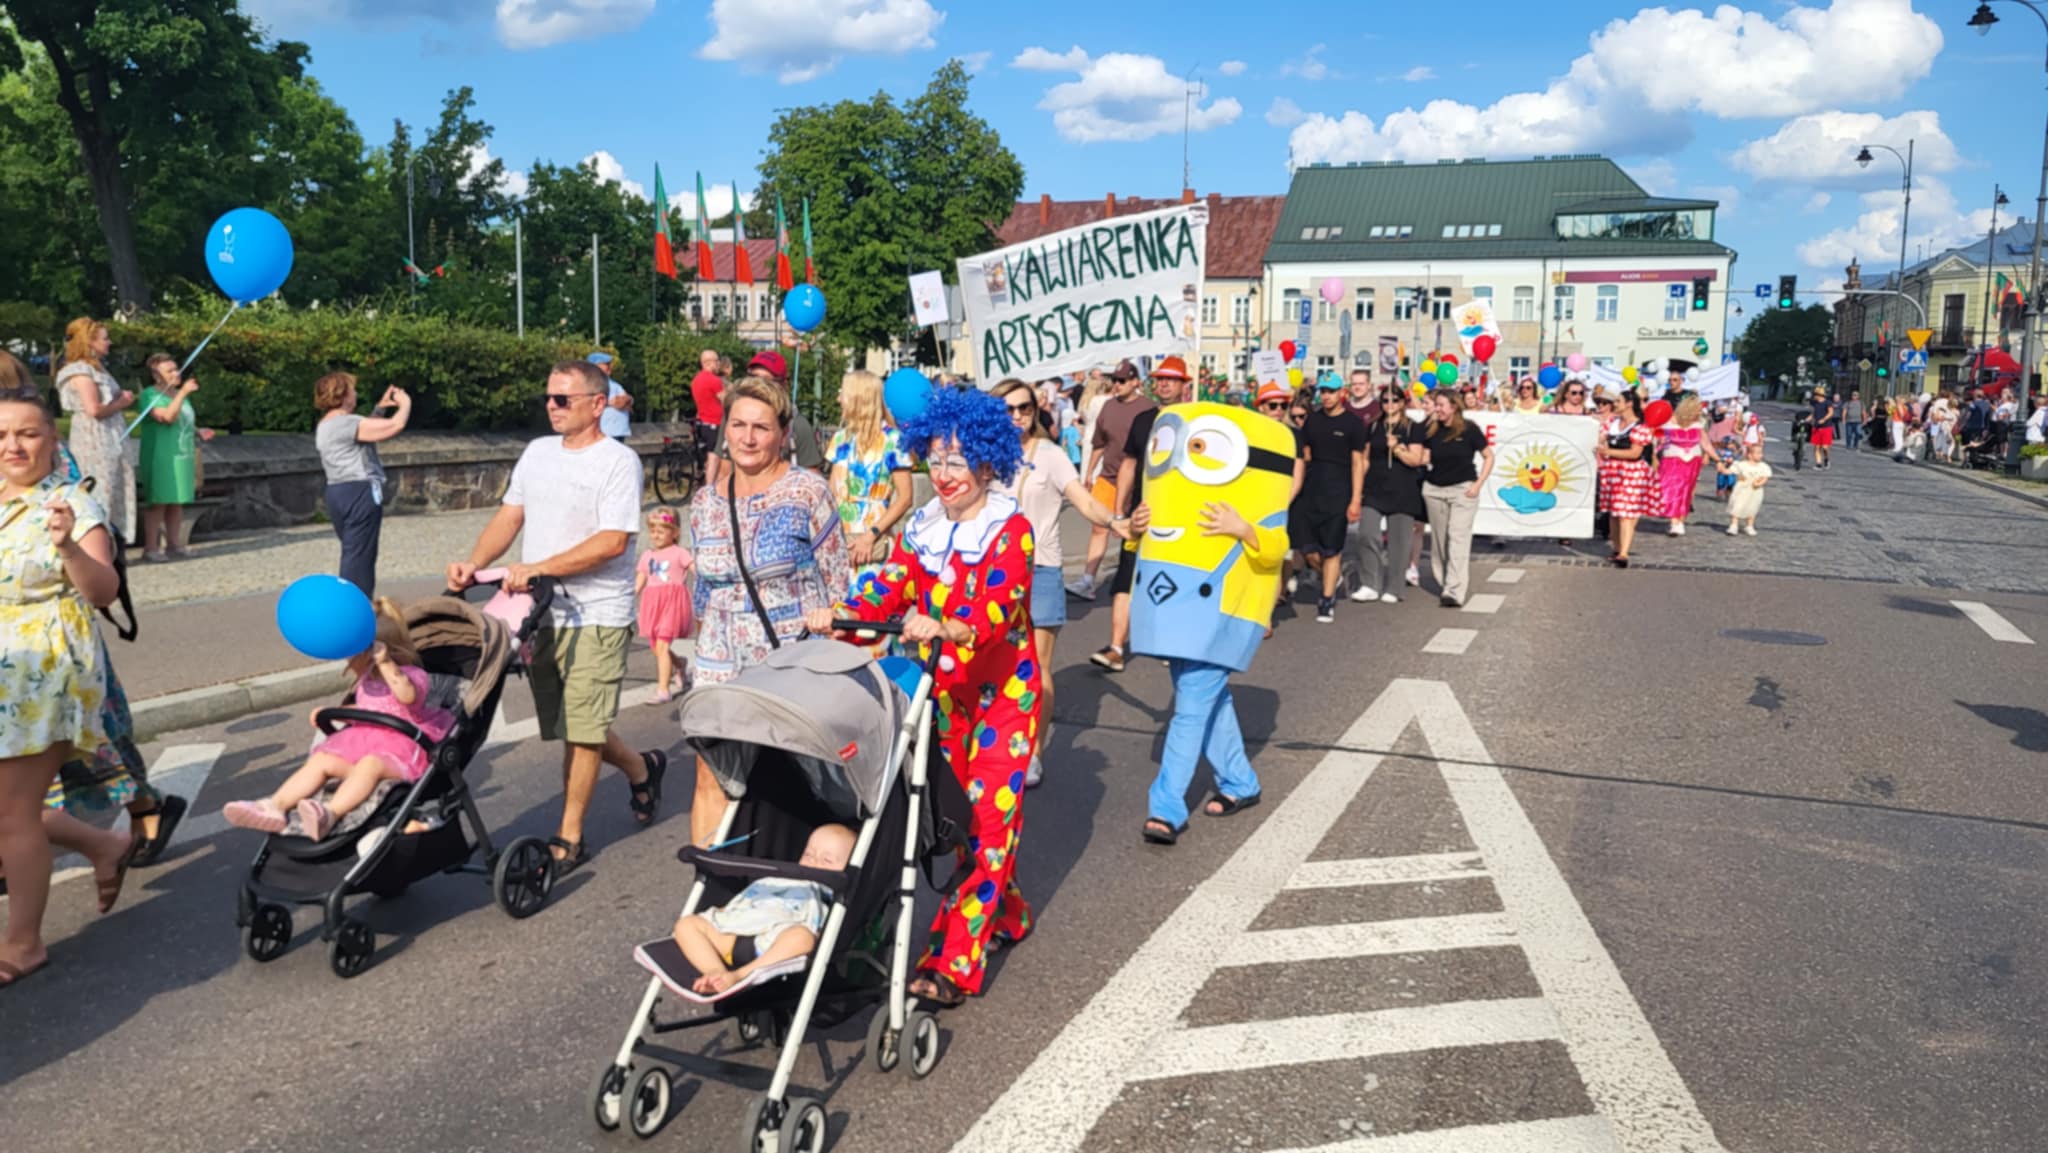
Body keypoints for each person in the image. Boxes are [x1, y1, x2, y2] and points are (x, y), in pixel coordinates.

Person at [806, 387, 1039, 1004]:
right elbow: (888, 586)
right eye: (934, 459)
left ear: (986, 462)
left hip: (1003, 698)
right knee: (960, 821)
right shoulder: (923, 528)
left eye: (956, 460)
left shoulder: (1011, 529)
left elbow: (1000, 603)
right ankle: (1007, 912)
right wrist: (839, 616)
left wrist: (954, 626)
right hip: (942, 694)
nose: (943, 473)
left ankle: (951, 963)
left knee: (988, 821)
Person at [448, 360, 666, 873]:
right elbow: (510, 516)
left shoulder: (618, 462)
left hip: (598, 611)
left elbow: (613, 542)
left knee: (584, 728)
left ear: (598, 404)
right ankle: (641, 768)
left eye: (563, 399)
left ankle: (569, 837)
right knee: (571, 724)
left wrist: (540, 567)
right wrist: (473, 564)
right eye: (548, 397)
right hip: (540, 612)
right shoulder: (538, 452)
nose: (552, 406)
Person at [0, 366, 130, 984]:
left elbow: (104, 590)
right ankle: (101, 843)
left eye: (28, 434)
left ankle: (23, 943)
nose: (14, 446)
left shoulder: (71, 502)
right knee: (11, 807)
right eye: (3, 435)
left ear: (53, 439)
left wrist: (68, 547)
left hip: (44, 672)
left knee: (12, 813)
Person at [688, 378, 851, 847]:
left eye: (760, 427)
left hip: (790, 659)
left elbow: (838, 583)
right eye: (738, 425)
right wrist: (697, 656)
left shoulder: (807, 491)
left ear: (783, 433)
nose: (747, 437)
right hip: (720, 658)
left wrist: (836, 651)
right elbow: (704, 590)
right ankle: (711, 883)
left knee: (797, 780)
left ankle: (804, 878)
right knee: (712, 774)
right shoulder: (705, 502)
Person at [1128, 400, 1290, 847]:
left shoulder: (1254, 491)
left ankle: (1166, 807)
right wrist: (1135, 528)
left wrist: (1244, 529)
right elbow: (1148, 542)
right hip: (1177, 608)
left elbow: (1278, 546)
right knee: (1206, 699)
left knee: (1192, 704)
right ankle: (1240, 781)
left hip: (1224, 609)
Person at [993, 378, 1132, 788]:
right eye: (1008, 409)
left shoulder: (1050, 455)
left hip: (1040, 569)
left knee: (1036, 668)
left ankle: (1034, 751)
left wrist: (1114, 521)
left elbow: (1083, 499)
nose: (1018, 415)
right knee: (995, 666)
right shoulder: (986, 454)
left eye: (1025, 407)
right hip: (993, 574)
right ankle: (999, 744)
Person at [222, 597, 454, 838]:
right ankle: (275, 806)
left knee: (370, 764)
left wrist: (386, 664)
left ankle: (330, 813)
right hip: (364, 745)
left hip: (400, 753)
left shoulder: (412, 675)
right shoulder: (366, 680)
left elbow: (407, 697)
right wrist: (335, 713)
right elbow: (369, 708)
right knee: (322, 759)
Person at [668, 823, 854, 995]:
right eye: (808, 854)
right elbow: (746, 899)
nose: (814, 862)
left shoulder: (825, 895)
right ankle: (715, 971)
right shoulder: (779, 878)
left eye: (827, 860)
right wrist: (725, 912)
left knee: (803, 938)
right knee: (686, 924)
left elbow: (817, 926)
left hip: (770, 947)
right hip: (729, 937)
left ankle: (740, 975)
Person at [1091, 357, 1188, 672]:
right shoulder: (1144, 419)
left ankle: (1170, 642)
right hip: (1141, 513)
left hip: (1179, 517)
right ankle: (1116, 648)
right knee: (1126, 577)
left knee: (1173, 579)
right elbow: (1129, 463)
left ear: (1184, 385)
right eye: (1160, 378)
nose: (1164, 384)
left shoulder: (1195, 419)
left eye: (1171, 379)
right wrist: (1120, 510)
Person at [315, 372, 411, 597]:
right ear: (343, 395)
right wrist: (405, 404)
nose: (355, 393)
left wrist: (380, 408)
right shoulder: (346, 422)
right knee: (359, 557)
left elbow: (364, 433)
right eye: (352, 389)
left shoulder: (327, 425)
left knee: (354, 550)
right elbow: (395, 426)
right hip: (358, 492)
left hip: (337, 491)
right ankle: (355, 606)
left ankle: (352, 603)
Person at [1068, 360, 1152, 601]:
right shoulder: (1108, 406)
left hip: (1138, 481)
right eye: (1115, 380)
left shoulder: (1149, 408)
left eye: (1123, 380)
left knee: (1137, 531)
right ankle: (1087, 580)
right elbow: (1099, 443)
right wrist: (1089, 474)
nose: (1117, 385)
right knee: (1099, 527)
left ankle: (1137, 580)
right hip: (1109, 477)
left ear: (1135, 382)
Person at [826, 370, 914, 583]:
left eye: (843, 393)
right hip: (841, 541)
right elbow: (831, 494)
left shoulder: (893, 441)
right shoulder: (841, 439)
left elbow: (905, 498)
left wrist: (870, 535)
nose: (838, 399)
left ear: (858, 398)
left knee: (869, 597)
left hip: (874, 540)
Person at [54, 317, 136, 546]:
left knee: (115, 485)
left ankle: (115, 539)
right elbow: (93, 409)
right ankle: (97, 542)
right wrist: (121, 403)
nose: (109, 342)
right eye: (104, 338)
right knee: (100, 488)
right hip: (95, 437)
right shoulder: (80, 371)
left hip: (111, 435)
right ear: (89, 341)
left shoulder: (98, 368)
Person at [1293, 373, 1366, 623]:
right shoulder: (1312, 420)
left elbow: (1357, 463)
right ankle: (1332, 577)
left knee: (1332, 549)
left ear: (1341, 393)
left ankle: (1326, 601)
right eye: (1323, 391)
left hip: (1339, 492)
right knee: (1308, 550)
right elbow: (1305, 454)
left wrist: (1355, 499)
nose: (1326, 396)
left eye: (1331, 391)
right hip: (1312, 490)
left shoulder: (1353, 424)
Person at [135, 354, 216, 562]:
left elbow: (182, 418)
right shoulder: (150, 395)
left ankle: (174, 544)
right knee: (159, 501)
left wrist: (198, 431)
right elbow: (167, 417)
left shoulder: (179, 395)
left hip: (181, 454)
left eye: (176, 368)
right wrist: (183, 393)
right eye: (169, 370)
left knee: (176, 501)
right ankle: (151, 547)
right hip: (161, 454)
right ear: (157, 375)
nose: (176, 373)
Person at [1419, 388, 1494, 606]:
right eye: (1436, 405)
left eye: (1441, 405)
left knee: (1457, 537)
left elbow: (1489, 456)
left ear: (1453, 406)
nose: (1438, 409)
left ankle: (1454, 591)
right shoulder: (1431, 430)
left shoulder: (1469, 429)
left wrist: (1478, 484)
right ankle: (1446, 581)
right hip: (1435, 490)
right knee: (1440, 541)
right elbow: (1423, 457)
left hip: (1463, 489)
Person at [1356, 393, 1427, 604]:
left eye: (1394, 400)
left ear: (1402, 403)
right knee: (1367, 534)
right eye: (1385, 400)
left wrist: (1396, 448)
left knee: (1399, 542)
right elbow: (1365, 459)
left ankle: (1395, 587)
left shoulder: (1413, 427)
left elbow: (1415, 460)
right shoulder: (1373, 426)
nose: (1390, 404)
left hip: (1402, 490)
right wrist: (1357, 487)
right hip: (1374, 488)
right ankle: (1370, 583)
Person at [635, 507, 694, 704]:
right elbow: (641, 579)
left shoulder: (680, 553)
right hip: (653, 605)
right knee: (656, 647)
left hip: (672, 604)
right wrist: (630, 595)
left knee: (662, 645)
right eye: (652, 531)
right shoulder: (647, 555)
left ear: (675, 532)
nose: (656, 535)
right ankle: (680, 663)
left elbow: (696, 570)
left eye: (661, 531)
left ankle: (663, 690)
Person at [1595, 391, 1656, 568]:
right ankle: (1617, 549)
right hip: (1613, 471)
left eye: (1618, 401)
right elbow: (1600, 439)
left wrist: (1609, 451)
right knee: (1614, 513)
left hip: (1631, 472)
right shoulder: (1612, 423)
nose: (1615, 404)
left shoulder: (1639, 427)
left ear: (1629, 403)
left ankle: (1624, 553)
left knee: (1626, 514)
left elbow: (1635, 453)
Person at [744, 353, 825, 471]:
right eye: (753, 377)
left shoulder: (797, 425)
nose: (758, 385)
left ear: (783, 384)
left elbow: (812, 475)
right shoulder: (733, 417)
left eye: (767, 380)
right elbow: (724, 469)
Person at [1655, 394, 1709, 535]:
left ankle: (1680, 521)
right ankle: (1674, 521)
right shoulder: (1669, 422)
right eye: (1697, 409)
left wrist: (1716, 459)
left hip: (1693, 461)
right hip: (1672, 459)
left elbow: (1705, 443)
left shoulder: (1699, 424)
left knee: (1687, 490)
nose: (1700, 412)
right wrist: (1654, 453)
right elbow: (1658, 438)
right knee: (1672, 488)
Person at [690, 347, 726, 491]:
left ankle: (704, 482)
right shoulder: (714, 380)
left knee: (706, 456)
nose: (719, 364)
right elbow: (726, 400)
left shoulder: (696, 380)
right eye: (717, 361)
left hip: (701, 421)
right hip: (715, 422)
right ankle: (710, 488)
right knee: (714, 456)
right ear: (708, 363)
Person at [1724, 440, 1772, 536]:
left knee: (1752, 507)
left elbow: (1765, 477)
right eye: (1758, 453)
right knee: (1737, 505)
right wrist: (1723, 467)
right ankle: (1734, 525)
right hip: (1742, 489)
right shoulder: (1742, 465)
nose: (1761, 455)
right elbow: (1730, 471)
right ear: (1750, 455)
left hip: (1755, 491)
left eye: (1761, 453)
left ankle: (1749, 525)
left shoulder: (1763, 466)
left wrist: (1759, 483)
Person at [588, 352, 634, 443]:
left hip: (620, 430)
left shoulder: (614, 384)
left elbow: (629, 400)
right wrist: (610, 403)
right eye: (606, 365)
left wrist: (626, 400)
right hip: (605, 431)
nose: (609, 368)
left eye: (609, 365)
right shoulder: (590, 384)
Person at [1808, 386, 1837, 469]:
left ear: (1819, 395)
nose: (1814, 396)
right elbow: (1813, 414)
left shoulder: (1828, 403)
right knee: (1817, 447)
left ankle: (1826, 459)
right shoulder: (1815, 404)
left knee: (1825, 447)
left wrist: (1824, 419)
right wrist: (1807, 419)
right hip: (1816, 427)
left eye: (1815, 394)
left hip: (1826, 427)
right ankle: (1819, 464)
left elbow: (1831, 413)